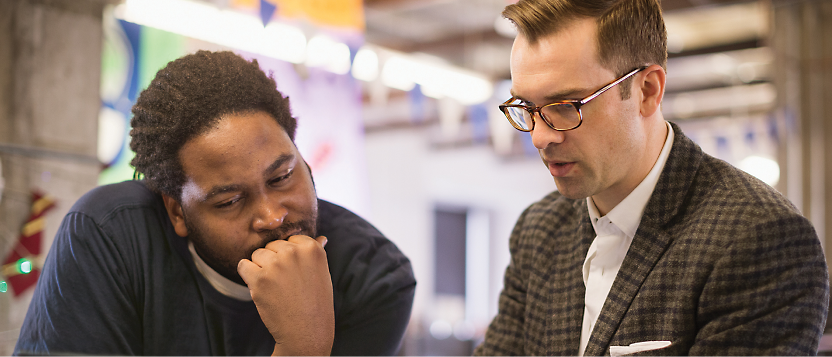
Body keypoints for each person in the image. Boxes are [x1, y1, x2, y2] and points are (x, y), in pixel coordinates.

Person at [475, 0, 829, 356]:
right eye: (525, 108)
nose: (539, 137)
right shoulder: (539, 231)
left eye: (566, 106)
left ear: (647, 91)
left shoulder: (758, 238)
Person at [15, 51, 416, 357]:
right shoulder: (108, 235)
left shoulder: (374, 279)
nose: (273, 215)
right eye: (229, 200)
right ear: (177, 212)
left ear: (304, 160)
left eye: (281, 177)